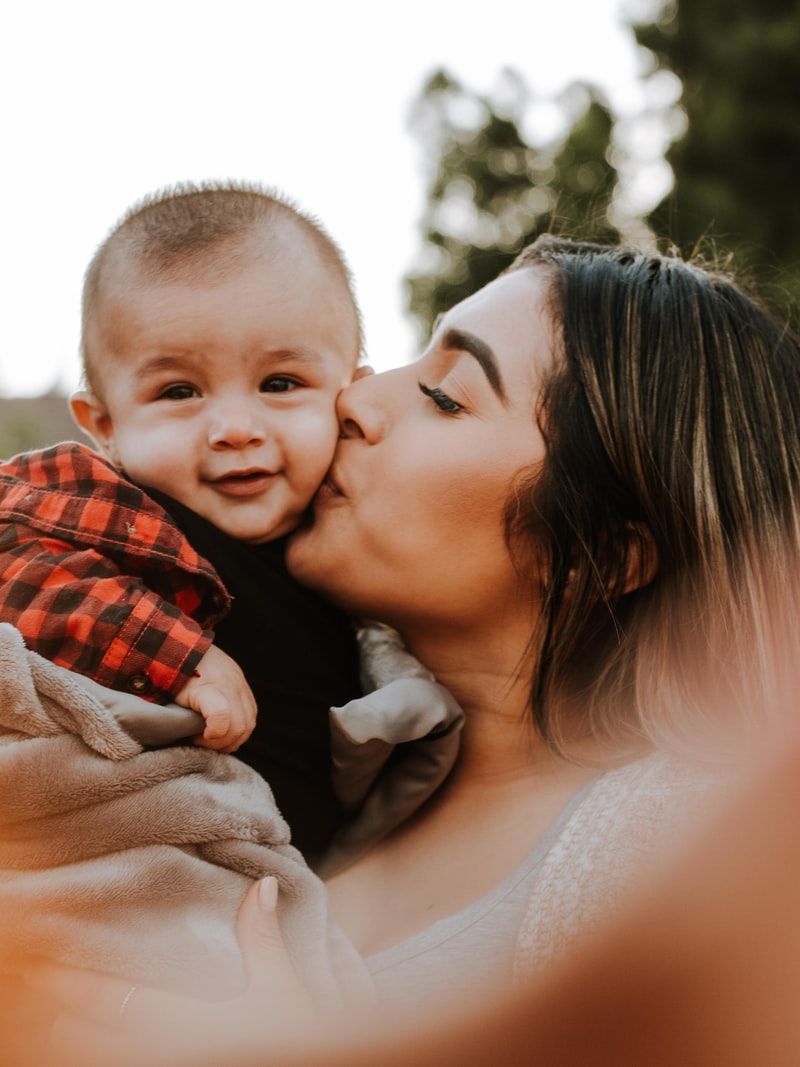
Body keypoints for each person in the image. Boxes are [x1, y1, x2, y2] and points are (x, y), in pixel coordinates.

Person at [15, 234, 800, 1061]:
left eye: (445, 395)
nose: (354, 399)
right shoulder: (335, 750)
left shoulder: (671, 848)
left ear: (601, 552)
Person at [0, 183, 430, 860]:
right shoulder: (119, 507)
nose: (235, 429)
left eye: (280, 383)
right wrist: (173, 651)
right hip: (126, 867)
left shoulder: (353, 541)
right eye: (179, 391)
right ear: (105, 426)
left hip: (289, 890)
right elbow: (11, 553)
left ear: (350, 392)